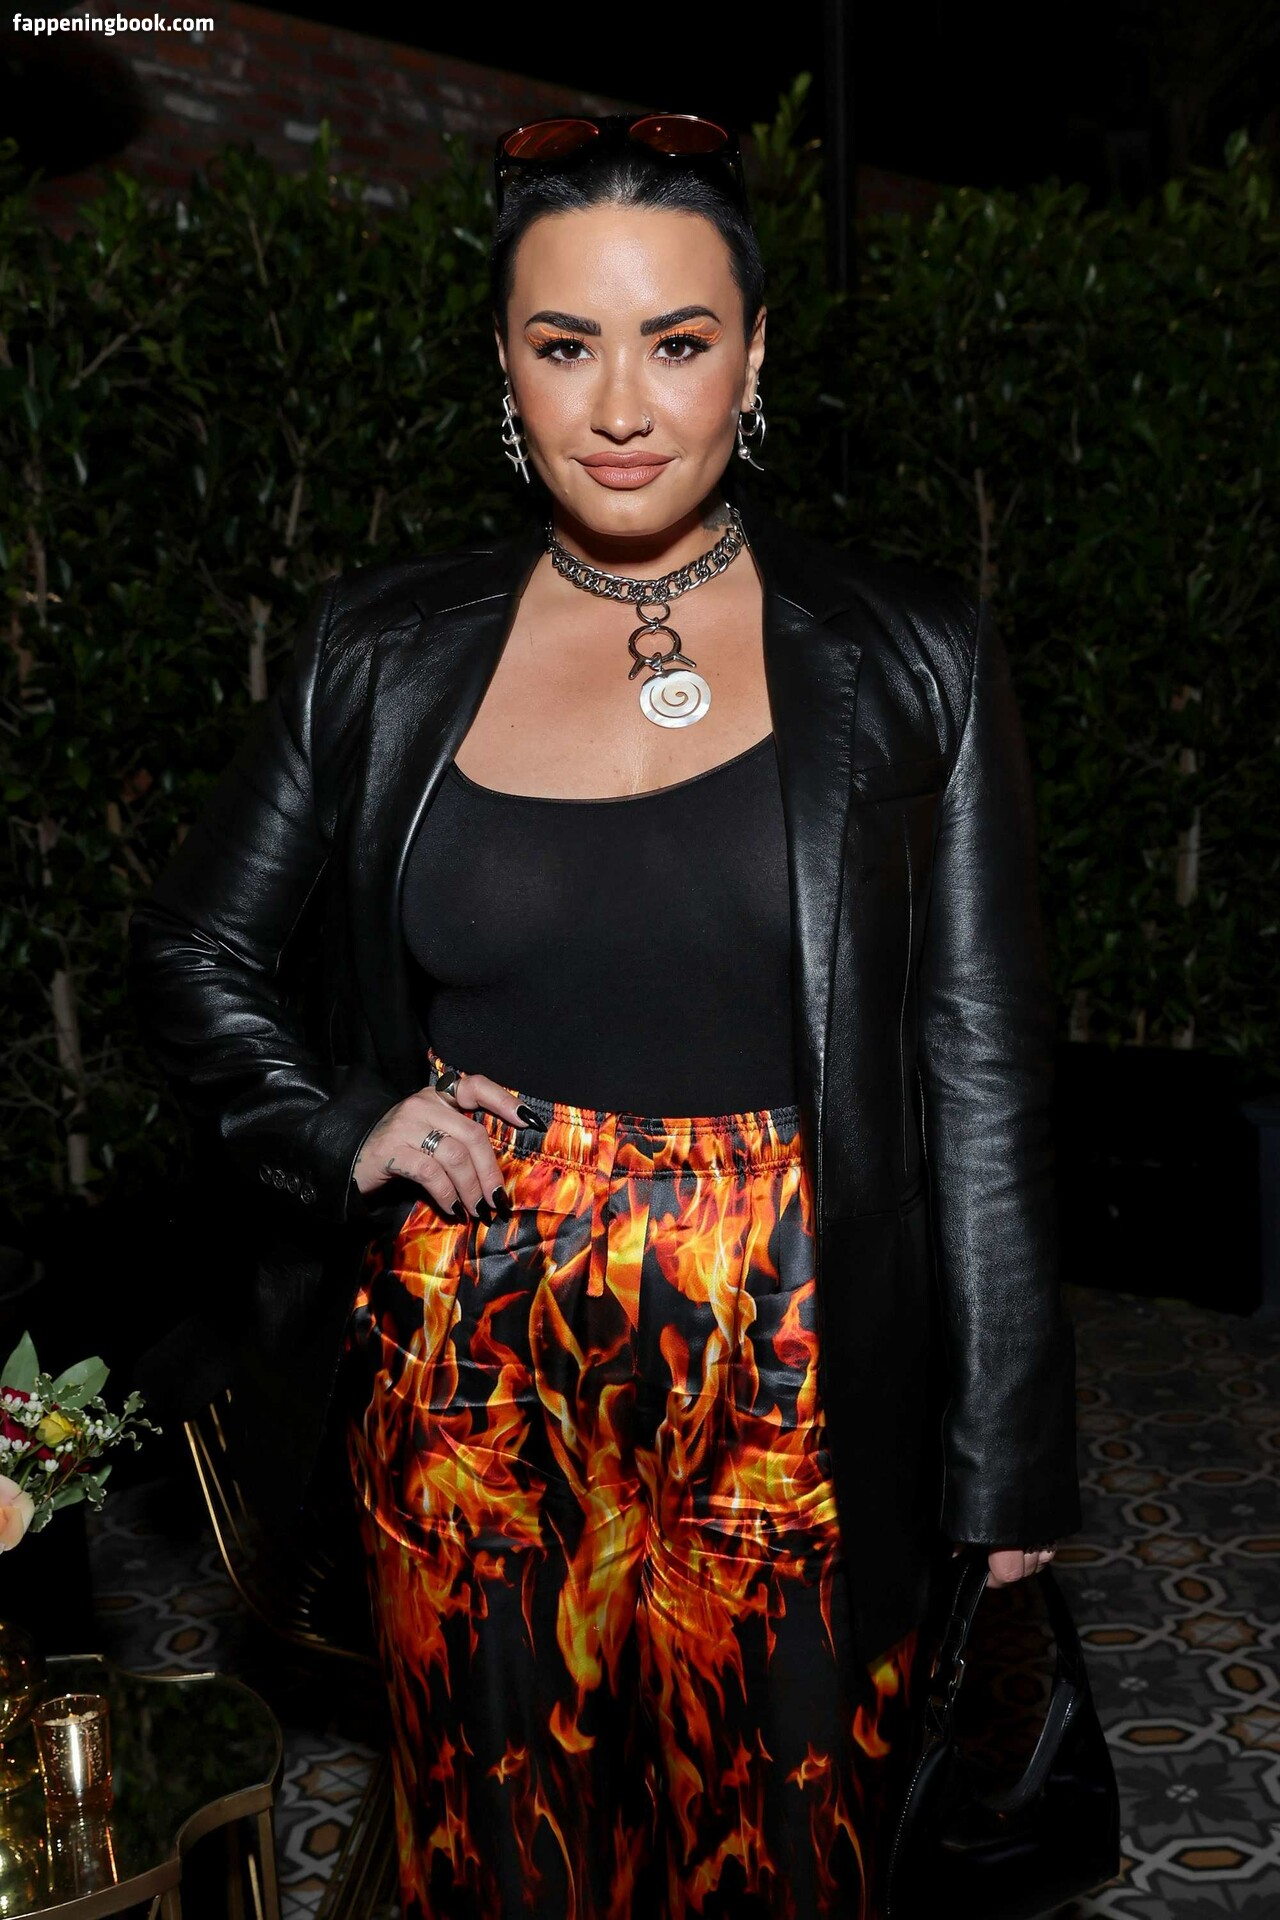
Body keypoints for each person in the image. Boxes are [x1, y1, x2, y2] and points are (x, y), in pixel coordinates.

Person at [129, 110, 1082, 1920]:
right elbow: (193, 945)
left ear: (755, 356)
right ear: (505, 362)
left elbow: (980, 1070)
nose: (623, 405)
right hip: (473, 1336)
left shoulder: (908, 651)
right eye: (567, 344)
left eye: (678, 340)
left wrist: (1011, 1456)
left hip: (795, 1338)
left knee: (792, 1836)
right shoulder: (381, 647)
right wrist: (341, 1123)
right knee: (502, 1836)